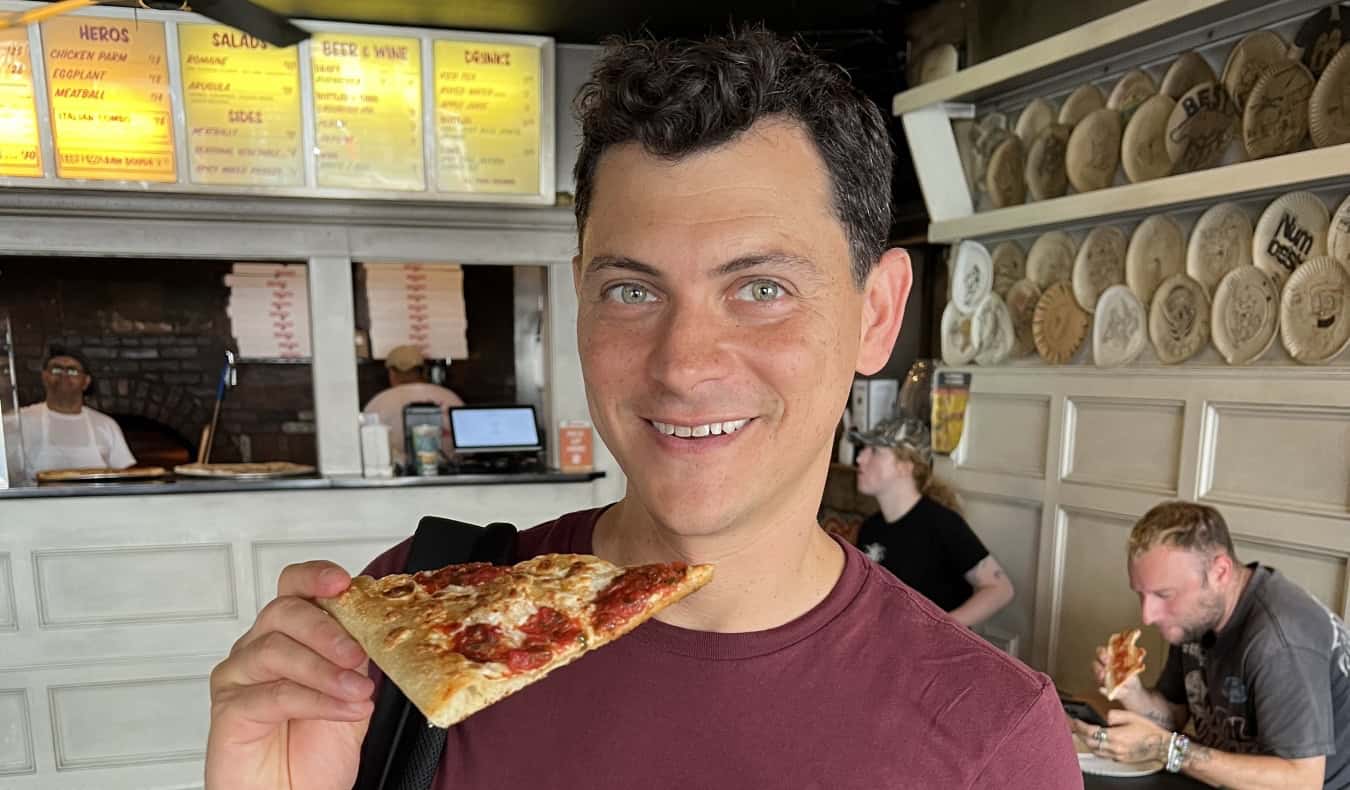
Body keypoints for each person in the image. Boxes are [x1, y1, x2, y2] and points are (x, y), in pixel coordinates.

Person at [205, 28, 1081, 789]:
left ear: (877, 314)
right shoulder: (414, 618)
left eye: (762, 287)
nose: (684, 365)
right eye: (630, 290)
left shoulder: (990, 736)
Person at [1073, 501, 1350, 789]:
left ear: (1220, 572)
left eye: (1164, 594)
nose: (1147, 616)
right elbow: (1174, 718)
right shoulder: (1197, 618)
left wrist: (1165, 749)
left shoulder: (1279, 641)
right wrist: (1133, 693)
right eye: (1141, 595)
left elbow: (1302, 781)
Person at [851, 416, 1015, 628]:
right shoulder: (870, 528)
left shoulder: (941, 523)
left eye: (875, 451)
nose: (860, 459)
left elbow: (1000, 589)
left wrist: (939, 630)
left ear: (905, 467)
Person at [19, 346, 135, 474]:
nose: (64, 375)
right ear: (44, 376)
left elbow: (124, 475)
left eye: (72, 371)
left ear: (86, 381)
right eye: (56, 369)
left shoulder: (107, 425)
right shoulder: (19, 421)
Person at [361, 344, 464, 464]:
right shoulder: (451, 397)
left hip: (398, 477)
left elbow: (368, 448)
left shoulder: (378, 403)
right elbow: (469, 447)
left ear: (391, 373)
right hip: (453, 475)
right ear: (424, 371)